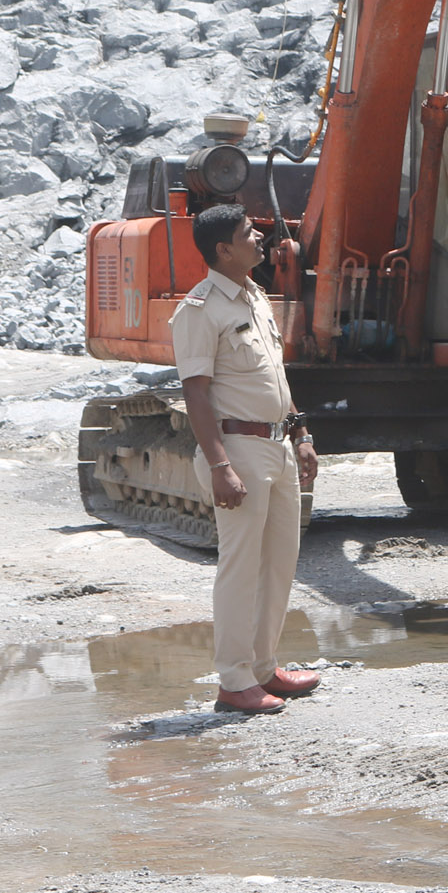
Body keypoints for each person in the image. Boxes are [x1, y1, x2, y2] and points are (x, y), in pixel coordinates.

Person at [174, 204, 320, 714]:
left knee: (280, 563)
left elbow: (274, 380)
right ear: (223, 249)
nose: (260, 237)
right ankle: (233, 681)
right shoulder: (199, 309)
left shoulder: (255, 296)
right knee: (241, 567)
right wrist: (220, 466)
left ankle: (262, 667)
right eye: (247, 233)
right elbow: (196, 394)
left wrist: (300, 432)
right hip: (238, 450)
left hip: (276, 446)